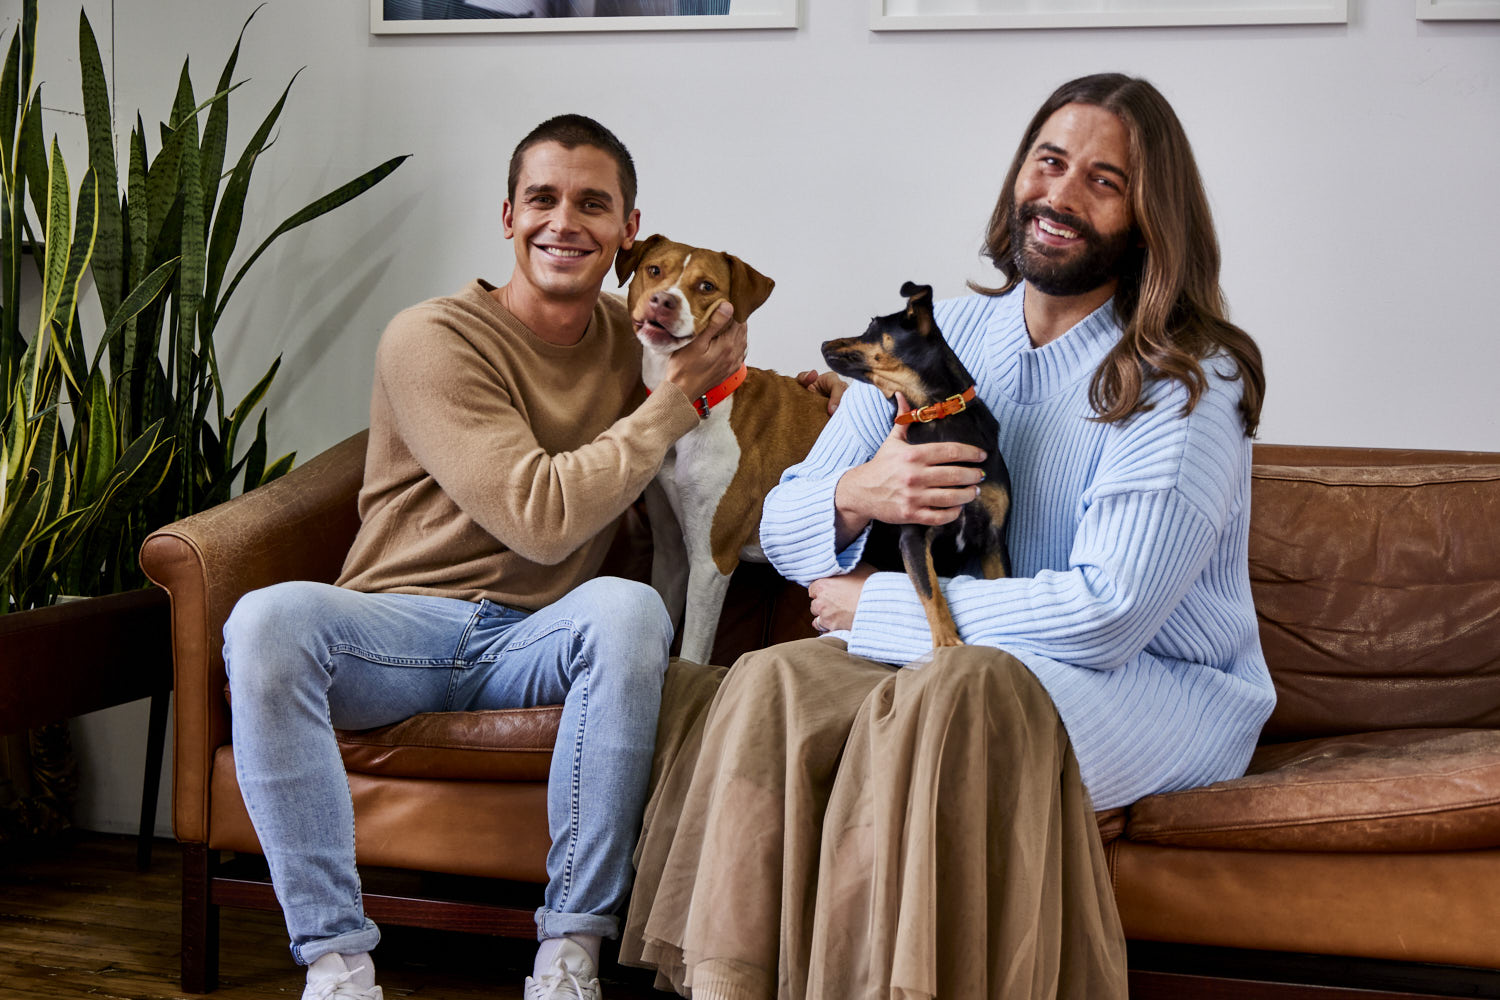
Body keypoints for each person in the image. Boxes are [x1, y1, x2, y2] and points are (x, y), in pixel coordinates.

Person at [619, 72, 1276, 1000]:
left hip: (1159, 687)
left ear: (1151, 214)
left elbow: (1108, 618)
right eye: (1049, 163)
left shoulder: (1184, 377)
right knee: (772, 682)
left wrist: (878, 604)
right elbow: (784, 524)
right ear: (1019, 177)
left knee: (951, 700)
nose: (1061, 195)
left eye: (1104, 179)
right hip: (967, 654)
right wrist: (859, 492)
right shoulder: (943, 334)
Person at [222, 114, 835, 1000]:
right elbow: (539, 520)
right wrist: (674, 400)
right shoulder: (431, 337)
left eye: (593, 204)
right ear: (508, 215)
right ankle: (336, 961)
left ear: (628, 232)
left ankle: (570, 955)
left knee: (631, 611)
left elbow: (735, 397)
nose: (564, 222)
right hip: (396, 630)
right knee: (266, 619)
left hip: (538, 640)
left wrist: (833, 405)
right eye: (543, 199)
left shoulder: (646, 336)